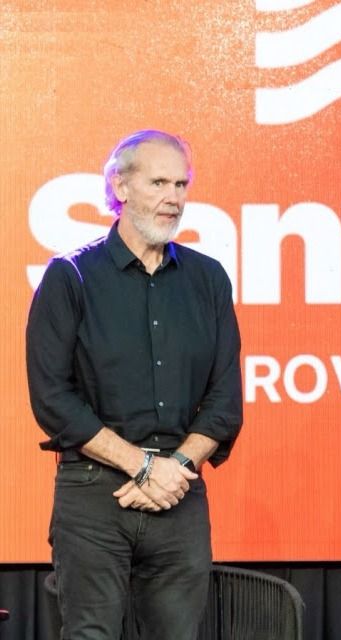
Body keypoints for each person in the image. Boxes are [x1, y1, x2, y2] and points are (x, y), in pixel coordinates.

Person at [26, 130, 242, 639]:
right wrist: (141, 465)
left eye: (183, 184)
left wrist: (175, 469)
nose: (175, 198)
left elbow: (225, 399)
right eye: (160, 182)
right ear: (119, 187)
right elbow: (53, 399)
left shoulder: (208, 279)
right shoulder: (71, 276)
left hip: (178, 494)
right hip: (93, 494)